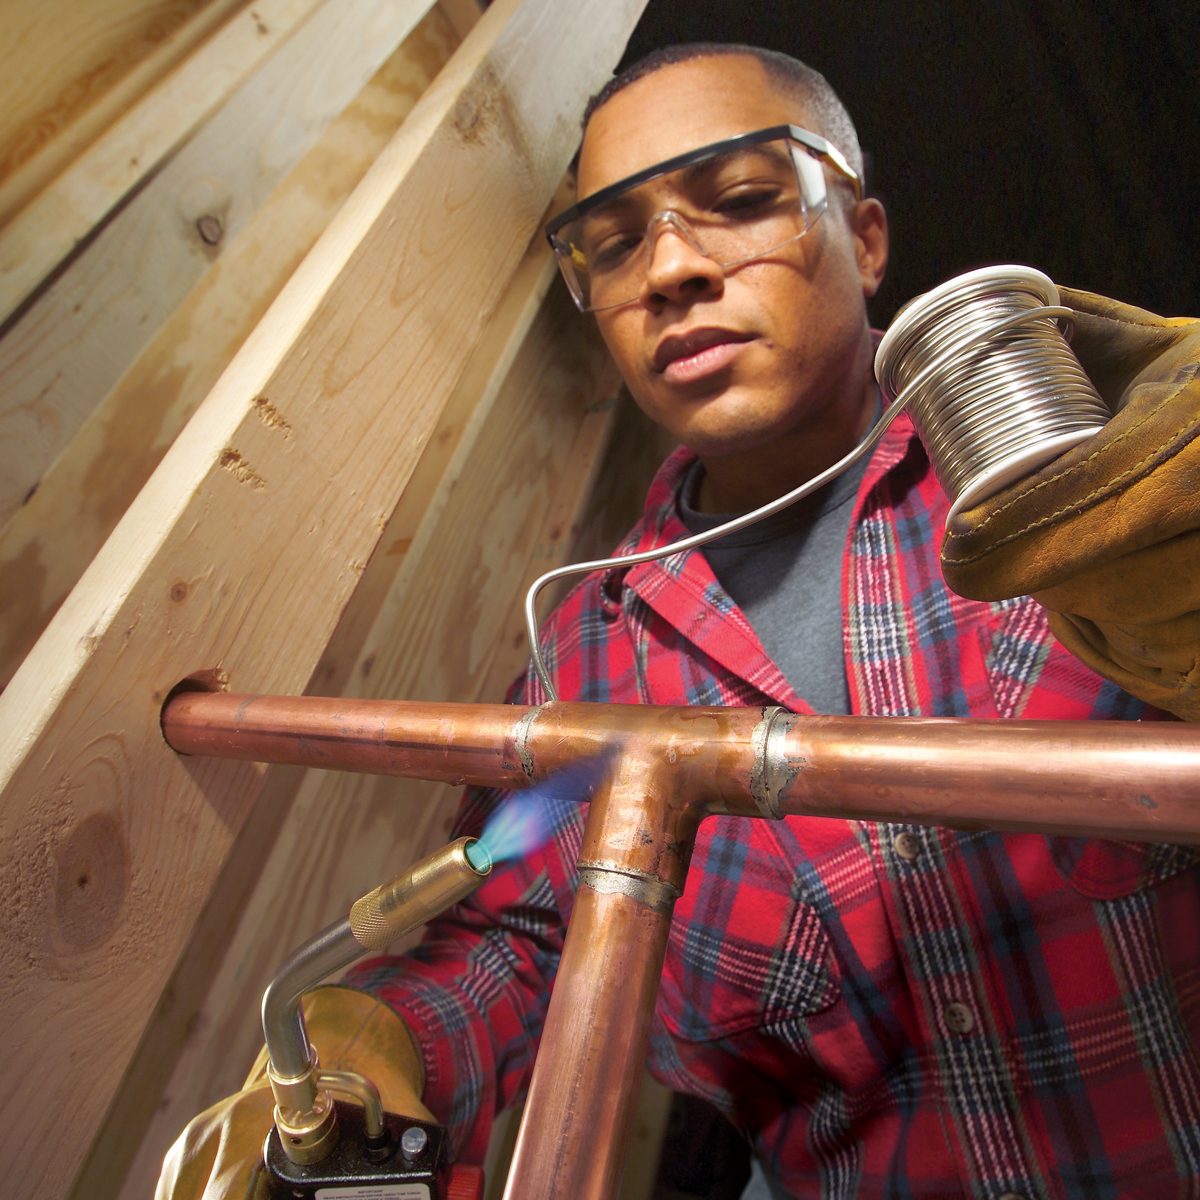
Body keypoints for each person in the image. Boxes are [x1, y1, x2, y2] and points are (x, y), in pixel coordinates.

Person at [160, 43, 1200, 1199]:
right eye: (613, 244)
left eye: (742, 202)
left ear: (863, 238)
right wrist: (371, 1061)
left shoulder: (1084, 473)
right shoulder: (587, 656)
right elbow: (526, 945)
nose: (670, 271)